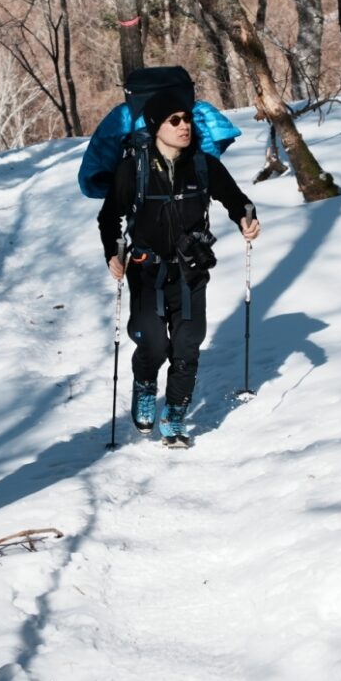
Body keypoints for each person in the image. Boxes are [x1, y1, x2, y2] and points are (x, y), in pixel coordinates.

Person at [98, 90, 259, 446]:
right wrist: (113, 252)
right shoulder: (134, 168)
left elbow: (236, 199)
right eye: (174, 120)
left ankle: (174, 415)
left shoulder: (203, 165)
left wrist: (247, 219)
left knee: (187, 347)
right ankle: (145, 386)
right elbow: (109, 216)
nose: (183, 125)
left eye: (186, 119)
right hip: (145, 271)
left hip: (190, 270)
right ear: (157, 126)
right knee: (153, 345)